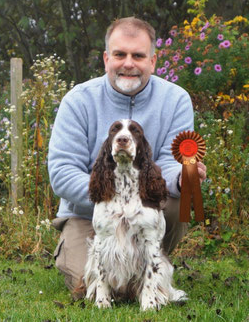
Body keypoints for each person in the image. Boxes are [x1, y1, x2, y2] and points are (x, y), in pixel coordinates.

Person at [48, 16, 207, 294]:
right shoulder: (78, 100)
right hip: (89, 214)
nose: (129, 63)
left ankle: (148, 263)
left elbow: (170, 162)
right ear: (106, 58)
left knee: (175, 199)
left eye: (138, 55)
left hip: (145, 210)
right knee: (90, 287)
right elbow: (62, 173)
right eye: (120, 54)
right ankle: (136, 274)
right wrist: (113, 197)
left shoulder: (176, 99)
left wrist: (182, 179)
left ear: (153, 61)